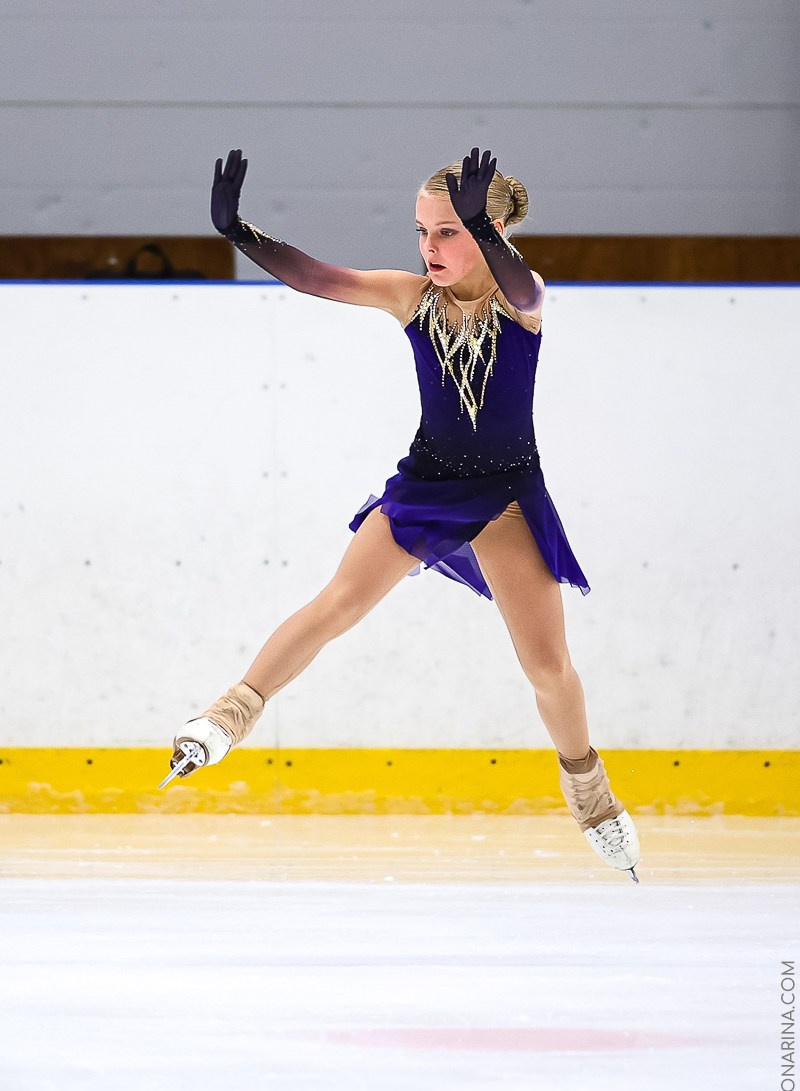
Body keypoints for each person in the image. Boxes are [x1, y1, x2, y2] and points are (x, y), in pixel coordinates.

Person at [161, 147, 640, 883]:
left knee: (546, 666)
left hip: (507, 496)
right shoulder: (411, 296)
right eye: (424, 231)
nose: (430, 247)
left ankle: (590, 793)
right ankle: (227, 717)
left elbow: (520, 282)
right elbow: (321, 277)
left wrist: (486, 233)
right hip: (427, 483)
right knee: (337, 605)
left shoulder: (521, 296)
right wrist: (242, 236)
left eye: (449, 232)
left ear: (494, 226)